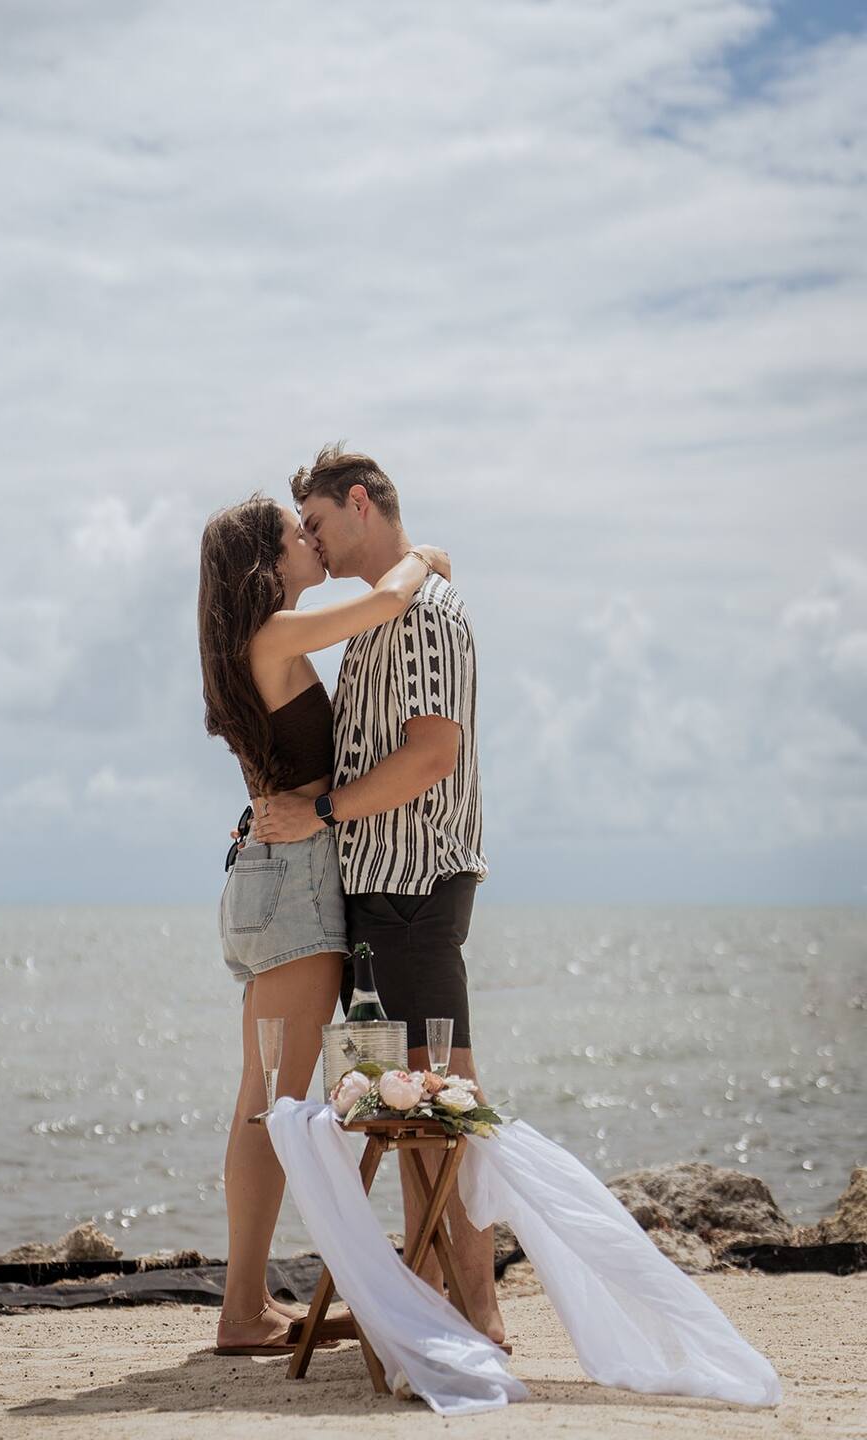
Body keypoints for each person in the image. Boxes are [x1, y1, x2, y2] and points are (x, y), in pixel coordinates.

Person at [250, 445, 505, 1346]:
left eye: (316, 523)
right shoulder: (375, 616)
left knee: (445, 1111)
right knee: (419, 1111)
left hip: (412, 889)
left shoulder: (426, 613)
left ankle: (479, 1310)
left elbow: (432, 755)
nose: (311, 545)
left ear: (361, 504)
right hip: (387, 894)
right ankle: (432, 1296)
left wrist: (321, 810)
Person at [197, 492, 449, 1355]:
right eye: (296, 534)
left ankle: (248, 1303)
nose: (312, 540)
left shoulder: (261, 641)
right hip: (294, 887)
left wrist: (305, 799)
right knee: (270, 1105)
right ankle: (243, 1312)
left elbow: (295, 770)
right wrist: (426, 558)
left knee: (264, 1100)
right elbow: (384, 604)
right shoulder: (270, 635)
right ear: (267, 566)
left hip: (276, 879)